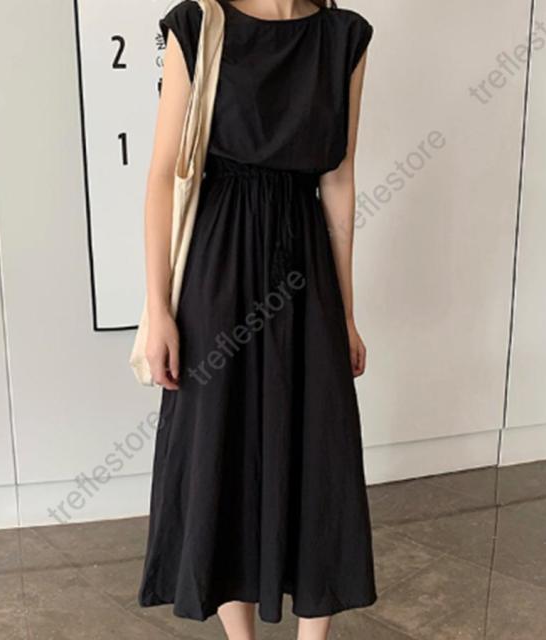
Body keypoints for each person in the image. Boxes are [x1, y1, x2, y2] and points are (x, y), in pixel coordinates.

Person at [134, 1, 377, 638]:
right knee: (220, 446)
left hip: (306, 270)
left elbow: (339, 181)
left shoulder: (344, 37)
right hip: (217, 271)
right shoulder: (198, 24)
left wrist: (346, 313)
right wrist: (158, 310)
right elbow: (162, 177)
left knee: (319, 451)